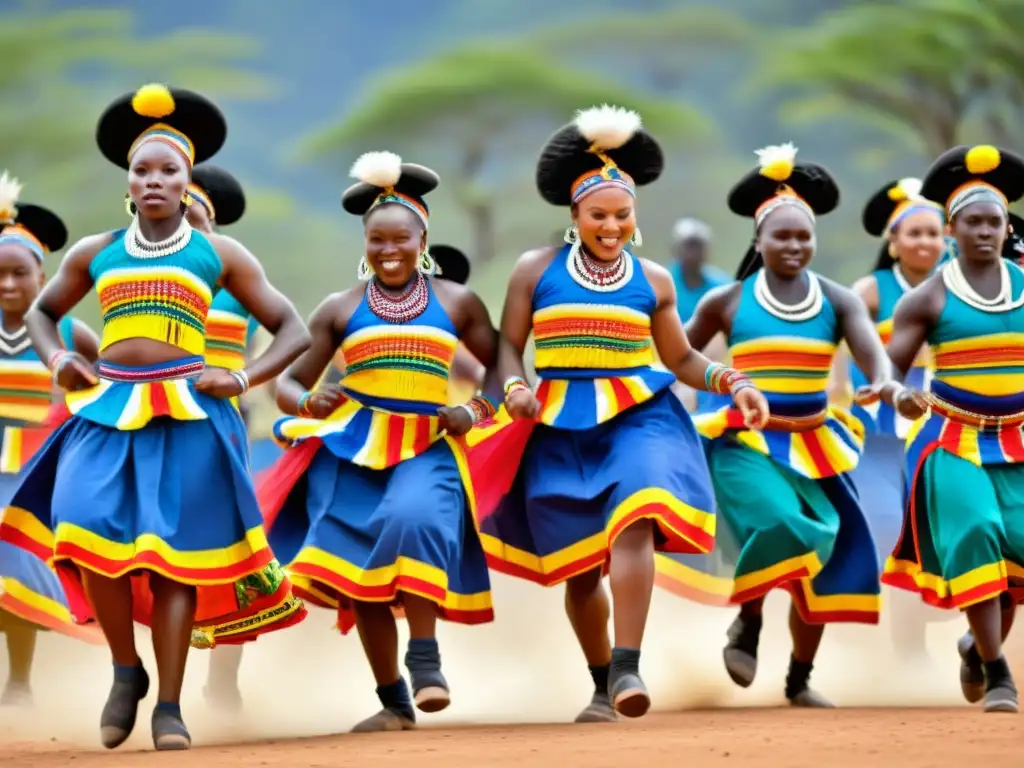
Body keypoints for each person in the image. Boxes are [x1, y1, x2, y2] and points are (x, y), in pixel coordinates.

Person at [0, 84, 311, 750]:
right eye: (143, 169)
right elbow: (42, 314)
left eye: (168, 169)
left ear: (187, 179)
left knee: (174, 560)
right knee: (84, 533)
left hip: (192, 415)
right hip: (110, 408)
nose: (155, 180)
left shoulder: (220, 254)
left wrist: (242, 375)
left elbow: (293, 328)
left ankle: (170, 705)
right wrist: (58, 362)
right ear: (128, 181)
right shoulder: (95, 250)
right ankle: (125, 669)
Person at [467, 105, 768, 722]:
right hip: (557, 425)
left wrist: (733, 380)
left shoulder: (653, 280)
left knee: (635, 517)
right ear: (575, 216)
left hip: (640, 416)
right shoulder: (534, 271)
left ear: (636, 217)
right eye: (598, 215)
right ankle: (603, 679)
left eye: (622, 215)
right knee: (581, 569)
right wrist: (515, 387)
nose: (610, 225)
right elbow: (505, 346)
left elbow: (681, 357)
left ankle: (629, 664)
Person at [256, 152, 500, 733]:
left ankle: (425, 657)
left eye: (401, 238)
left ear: (423, 238)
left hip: (429, 443)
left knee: (416, 518)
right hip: (352, 448)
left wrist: (473, 409)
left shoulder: (457, 302)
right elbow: (288, 381)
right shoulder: (339, 308)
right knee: (356, 559)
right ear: (364, 241)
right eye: (376, 239)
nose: (389, 250)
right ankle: (393, 701)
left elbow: (503, 365)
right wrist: (306, 401)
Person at [654, 143, 896, 707]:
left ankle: (799, 679)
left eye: (803, 236)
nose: (794, 246)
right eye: (781, 236)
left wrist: (883, 381)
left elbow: (873, 355)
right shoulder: (727, 300)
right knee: (785, 522)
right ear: (758, 241)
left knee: (828, 556)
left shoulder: (838, 300)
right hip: (744, 441)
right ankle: (750, 618)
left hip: (817, 443)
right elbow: (675, 352)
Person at [882, 144, 1024, 714]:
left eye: (994, 222)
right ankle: (997, 674)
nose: (985, 232)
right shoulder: (928, 297)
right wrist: (899, 394)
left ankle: (976, 644)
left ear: (1006, 225)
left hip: (1018, 438)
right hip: (952, 440)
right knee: (976, 533)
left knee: (1016, 553)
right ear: (951, 228)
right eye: (973, 222)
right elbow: (886, 367)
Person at [0, 175, 104, 705]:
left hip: (37, 473)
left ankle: (19, 681)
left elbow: (109, 388)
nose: (8, 285)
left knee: (16, 555)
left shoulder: (69, 334)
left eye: (20, 273)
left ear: (43, 276)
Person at [835, 178, 948, 659]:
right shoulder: (871, 291)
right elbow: (839, 354)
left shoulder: (959, 284)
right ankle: (892, 647)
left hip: (944, 430)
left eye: (933, 233)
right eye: (914, 233)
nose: (924, 242)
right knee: (886, 527)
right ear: (893, 240)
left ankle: (926, 641)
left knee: (941, 531)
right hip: (878, 437)